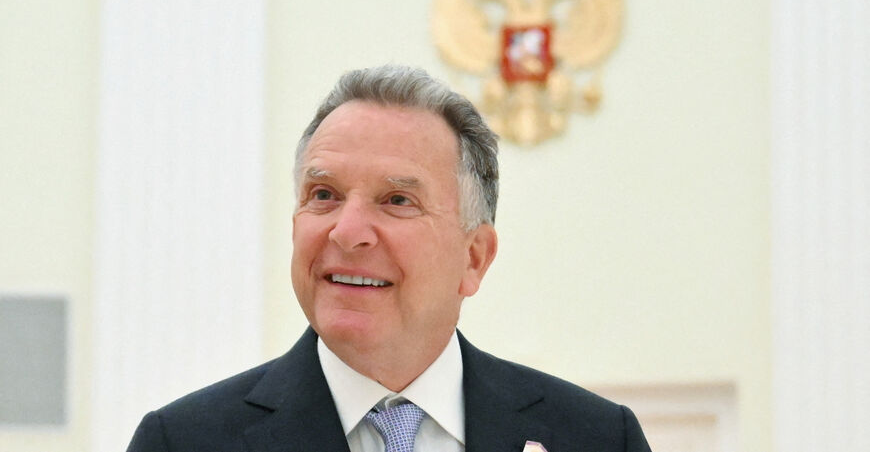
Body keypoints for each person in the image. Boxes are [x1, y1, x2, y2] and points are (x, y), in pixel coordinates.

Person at [126, 65, 651, 452]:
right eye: (324, 195)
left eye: (397, 201)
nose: (347, 231)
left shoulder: (597, 439)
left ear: (474, 258)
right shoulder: (182, 442)